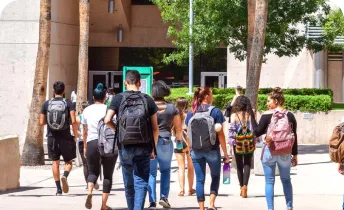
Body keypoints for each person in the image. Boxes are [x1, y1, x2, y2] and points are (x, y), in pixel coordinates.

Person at [104, 70, 159, 210]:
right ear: (140, 83)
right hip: (144, 146)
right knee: (141, 182)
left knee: (129, 184)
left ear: (125, 82)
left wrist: (117, 129)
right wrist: (154, 148)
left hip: (125, 146)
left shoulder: (118, 98)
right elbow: (155, 128)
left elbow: (107, 120)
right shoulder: (148, 100)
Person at [251, 87, 298, 210]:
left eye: (268, 101)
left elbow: (256, 132)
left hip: (270, 150)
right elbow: (295, 136)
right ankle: (289, 206)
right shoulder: (290, 115)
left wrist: (252, 115)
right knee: (286, 180)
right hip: (285, 151)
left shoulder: (266, 115)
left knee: (269, 182)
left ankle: (270, 208)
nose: (267, 103)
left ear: (276, 101)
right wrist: (295, 155)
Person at [185, 87, 230, 210]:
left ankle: (201, 207)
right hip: (212, 150)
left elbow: (188, 133)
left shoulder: (191, 112)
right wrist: (225, 154)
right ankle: (211, 204)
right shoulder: (215, 111)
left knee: (200, 179)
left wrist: (190, 148)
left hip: (196, 151)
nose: (212, 96)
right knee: (215, 176)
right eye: (211, 94)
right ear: (206, 97)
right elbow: (221, 134)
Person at [147, 81, 183, 209]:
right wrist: (179, 141)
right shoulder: (172, 108)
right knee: (165, 170)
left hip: (151, 143)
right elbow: (178, 129)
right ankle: (164, 197)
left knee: (151, 173)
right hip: (166, 141)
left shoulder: (148, 106)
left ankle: (152, 201)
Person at [83, 83, 118, 210]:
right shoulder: (109, 109)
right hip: (108, 143)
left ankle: (89, 192)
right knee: (108, 175)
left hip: (92, 143)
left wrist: (85, 147)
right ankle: (103, 205)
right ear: (105, 97)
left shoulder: (87, 110)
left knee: (92, 172)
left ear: (93, 97)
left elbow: (85, 130)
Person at [40, 81, 78, 196]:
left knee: (55, 163)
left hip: (52, 137)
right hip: (66, 137)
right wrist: (75, 135)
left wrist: (51, 123)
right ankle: (64, 176)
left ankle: (58, 189)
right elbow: (74, 121)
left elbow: (41, 122)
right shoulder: (68, 103)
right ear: (64, 91)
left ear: (53, 90)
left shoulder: (47, 104)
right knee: (69, 162)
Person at [228, 95, 257, 198]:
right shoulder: (251, 113)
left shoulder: (234, 115)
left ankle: (241, 187)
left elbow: (231, 132)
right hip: (249, 143)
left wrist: (231, 145)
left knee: (239, 165)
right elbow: (254, 128)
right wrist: (255, 141)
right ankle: (245, 186)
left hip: (238, 144)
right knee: (247, 164)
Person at [174, 97, 195, 197]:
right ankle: (190, 189)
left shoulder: (175, 114)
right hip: (189, 140)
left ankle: (181, 190)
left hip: (179, 140)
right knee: (190, 167)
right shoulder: (190, 114)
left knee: (181, 167)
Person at [75, 101, 99, 190]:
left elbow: (75, 130)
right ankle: (94, 181)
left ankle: (88, 183)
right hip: (92, 140)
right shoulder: (92, 116)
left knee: (85, 164)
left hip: (82, 141)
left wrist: (81, 134)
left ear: (81, 108)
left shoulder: (78, 118)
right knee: (95, 163)